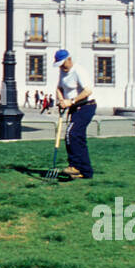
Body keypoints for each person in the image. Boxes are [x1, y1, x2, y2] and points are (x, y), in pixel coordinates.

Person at [53, 49, 94, 179]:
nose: (61, 67)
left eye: (62, 64)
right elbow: (59, 88)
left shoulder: (78, 70)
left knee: (71, 133)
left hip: (86, 106)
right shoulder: (62, 71)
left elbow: (88, 91)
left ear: (69, 60)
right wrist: (61, 100)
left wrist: (70, 101)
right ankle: (86, 172)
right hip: (75, 108)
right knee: (78, 138)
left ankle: (74, 166)